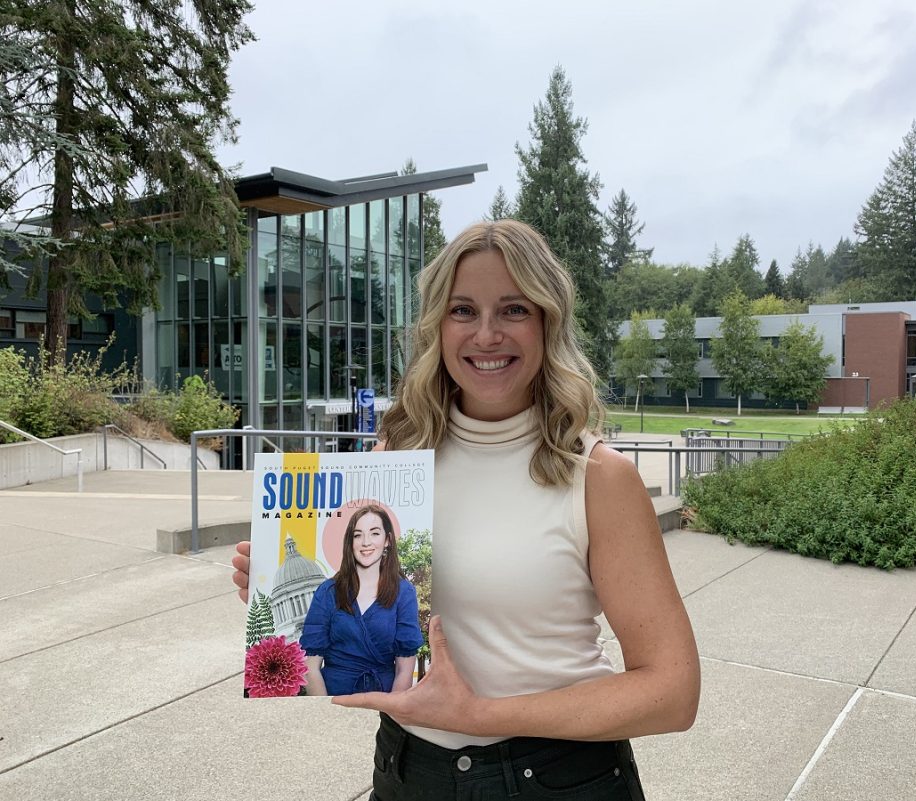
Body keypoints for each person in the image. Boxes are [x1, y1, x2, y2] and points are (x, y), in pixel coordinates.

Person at [234, 219, 699, 800]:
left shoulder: (599, 478)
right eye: (462, 311)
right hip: (408, 773)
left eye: (513, 310)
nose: (486, 335)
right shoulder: (396, 458)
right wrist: (283, 593)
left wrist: (477, 714)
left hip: (556, 779)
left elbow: (672, 692)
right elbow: (379, 624)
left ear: (546, 321)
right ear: (437, 325)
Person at [300, 503, 423, 696]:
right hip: (333, 697)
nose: (366, 542)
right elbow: (310, 666)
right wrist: (325, 710)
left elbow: (404, 670)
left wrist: (391, 713)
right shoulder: (327, 591)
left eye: (374, 533)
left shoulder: (404, 592)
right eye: (358, 535)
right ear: (350, 542)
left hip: (384, 698)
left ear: (387, 540)